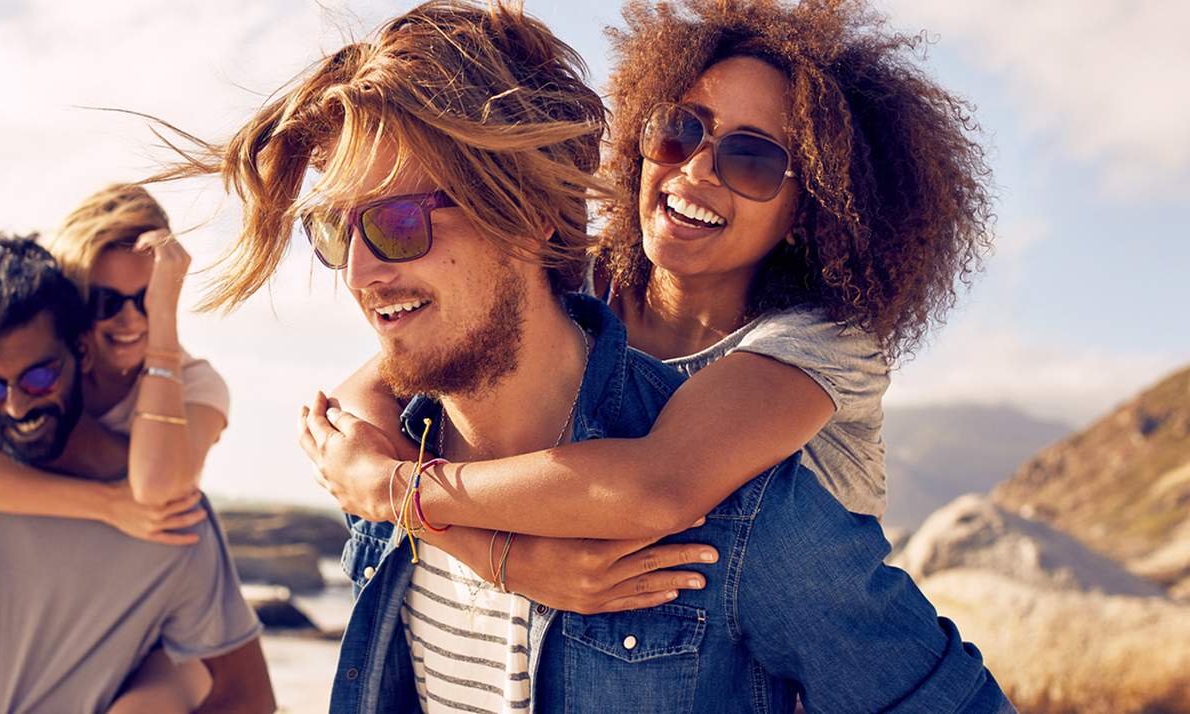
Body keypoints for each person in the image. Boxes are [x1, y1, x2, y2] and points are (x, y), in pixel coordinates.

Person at [161, 1, 1011, 712]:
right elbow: (382, 376)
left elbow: (661, 487)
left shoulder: (781, 425)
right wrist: (489, 547)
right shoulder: (568, 300)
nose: (698, 169)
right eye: (679, 131)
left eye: (753, 158)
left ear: (811, 208)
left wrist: (398, 495)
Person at [0, 234, 271, 714]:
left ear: (82, 356)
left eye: (39, 377)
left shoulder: (168, 518)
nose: (16, 405)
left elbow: (248, 695)